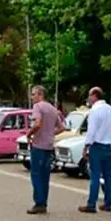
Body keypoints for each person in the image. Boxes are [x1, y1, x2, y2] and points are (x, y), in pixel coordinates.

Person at [79, 86, 111, 213]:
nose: (89, 98)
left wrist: (86, 146)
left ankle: (91, 204)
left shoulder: (94, 111)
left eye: (90, 95)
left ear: (95, 95)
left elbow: (91, 131)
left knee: (95, 176)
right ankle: (108, 203)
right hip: (108, 146)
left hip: (96, 145)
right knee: (108, 176)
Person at [25, 85, 63, 214]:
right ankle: (44, 202)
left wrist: (29, 134)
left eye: (33, 94)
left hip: (39, 145)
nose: (32, 97)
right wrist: (50, 133)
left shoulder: (38, 107)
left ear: (39, 94)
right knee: (45, 176)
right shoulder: (53, 108)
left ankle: (39, 202)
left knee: (36, 174)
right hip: (49, 145)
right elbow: (61, 127)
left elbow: (38, 123)